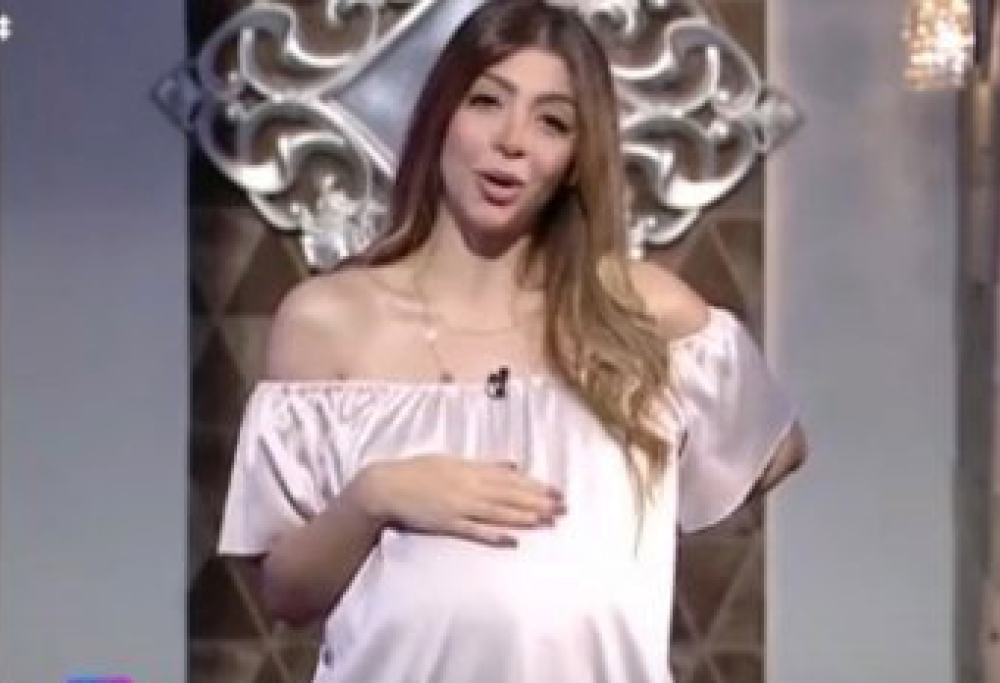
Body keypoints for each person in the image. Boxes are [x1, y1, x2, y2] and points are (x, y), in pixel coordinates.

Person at [217, 1, 807, 681]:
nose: (513, 141)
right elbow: (287, 593)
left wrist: (621, 515)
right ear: (441, 116)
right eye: (487, 102)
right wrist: (375, 496)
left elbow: (775, 446)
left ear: (575, 159)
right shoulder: (328, 321)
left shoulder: (640, 312)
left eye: (552, 122)